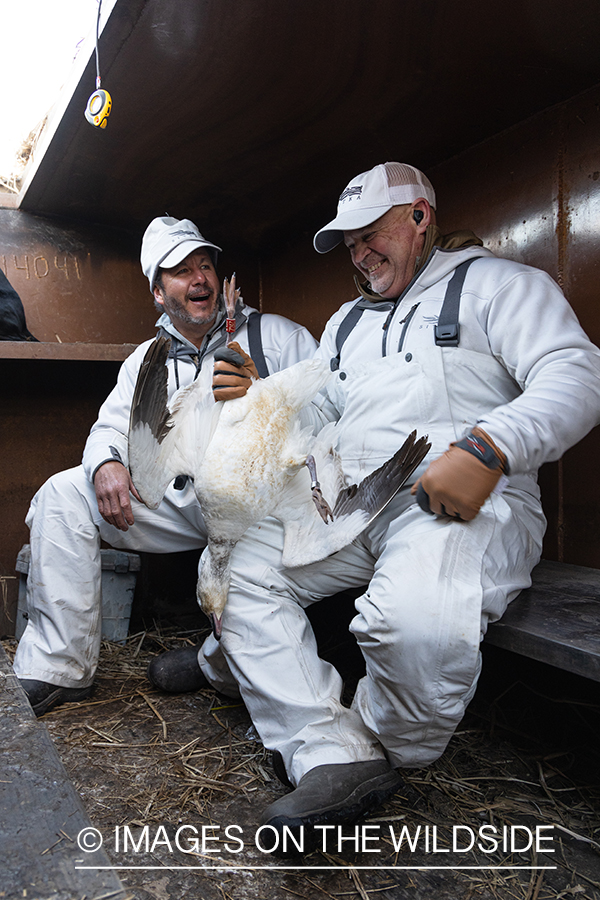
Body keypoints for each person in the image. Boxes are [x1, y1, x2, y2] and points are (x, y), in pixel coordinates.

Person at [150, 162, 600, 850]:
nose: (359, 254)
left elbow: (576, 373)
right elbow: (320, 410)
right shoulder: (348, 323)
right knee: (231, 570)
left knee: (410, 628)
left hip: (457, 497)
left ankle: (386, 742)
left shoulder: (499, 287)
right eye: (348, 244)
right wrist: (258, 396)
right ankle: (332, 753)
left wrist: (491, 446)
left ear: (420, 217)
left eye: (370, 234)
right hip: (354, 504)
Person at [13, 216, 319, 717]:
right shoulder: (146, 359)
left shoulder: (278, 338)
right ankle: (57, 668)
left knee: (241, 577)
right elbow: (109, 428)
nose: (199, 278)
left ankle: (219, 667)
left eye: (205, 266)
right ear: (159, 293)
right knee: (63, 494)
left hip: (259, 507)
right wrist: (106, 465)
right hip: (178, 500)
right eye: (181, 271)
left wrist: (263, 393)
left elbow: (326, 418)